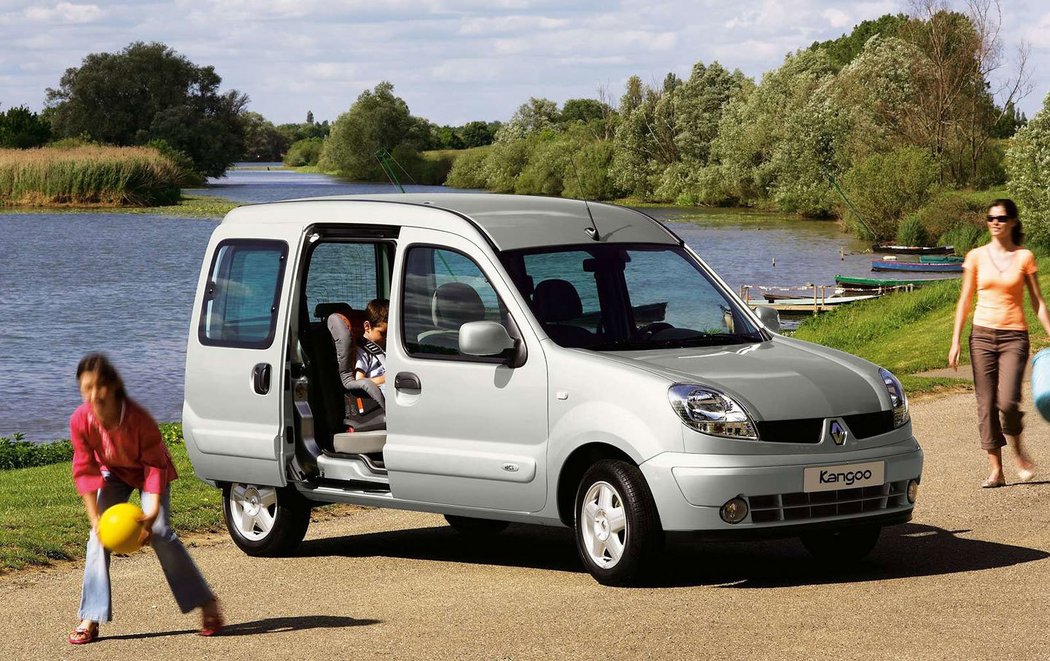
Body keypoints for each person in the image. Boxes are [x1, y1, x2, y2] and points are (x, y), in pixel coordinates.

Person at [67, 353, 223, 644]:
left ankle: (206, 602)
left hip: (149, 472)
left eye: (99, 386)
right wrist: (96, 519)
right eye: (86, 388)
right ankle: (90, 616)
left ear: (114, 386)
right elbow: (85, 471)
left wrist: (150, 514)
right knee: (97, 537)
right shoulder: (80, 421)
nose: (93, 395)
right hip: (112, 474)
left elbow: (154, 468)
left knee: (161, 533)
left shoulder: (139, 419)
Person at [948, 199, 1050, 488]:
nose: (995, 222)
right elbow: (965, 300)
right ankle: (996, 470)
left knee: (1007, 400)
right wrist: (955, 340)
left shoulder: (1024, 257)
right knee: (986, 403)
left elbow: (1038, 303)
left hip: (1014, 336)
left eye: (1001, 218)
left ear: (1013, 222)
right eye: (991, 217)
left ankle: (1019, 452)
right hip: (981, 335)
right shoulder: (976, 256)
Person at [354, 298, 388, 391]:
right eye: (383, 333)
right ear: (367, 326)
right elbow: (359, 380)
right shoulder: (362, 351)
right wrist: (384, 379)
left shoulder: (388, 347)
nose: (386, 338)